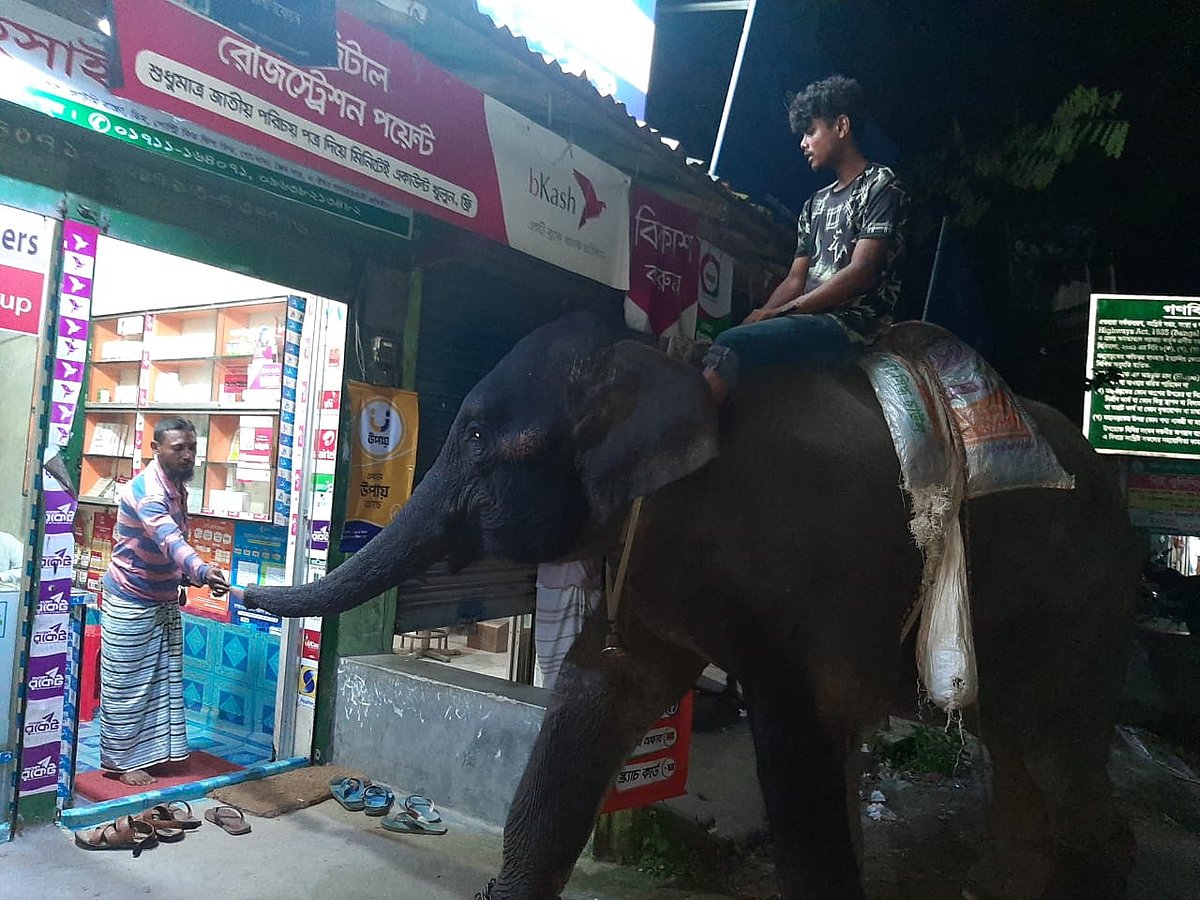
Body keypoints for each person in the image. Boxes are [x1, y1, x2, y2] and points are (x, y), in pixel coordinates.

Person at [702, 75, 909, 402]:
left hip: (849, 327)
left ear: (841, 126)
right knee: (732, 338)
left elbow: (861, 272)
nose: (803, 143)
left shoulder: (882, 185)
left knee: (731, 344)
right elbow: (795, 279)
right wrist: (758, 317)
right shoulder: (814, 205)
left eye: (810, 132)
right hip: (806, 318)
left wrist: (779, 315)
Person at [100, 417, 229, 785]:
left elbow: (172, 546)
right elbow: (170, 540)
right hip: (130, 599)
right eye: (179, 449)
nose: (188, 455)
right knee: (126, 686)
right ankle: (120, 763)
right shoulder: (148, 491)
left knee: (157, 682)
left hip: (160, 598)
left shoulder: (174, 486)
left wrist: (192, 575)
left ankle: (151, 755)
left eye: (192, 448)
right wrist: (201, 571)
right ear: (156, 449)